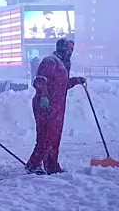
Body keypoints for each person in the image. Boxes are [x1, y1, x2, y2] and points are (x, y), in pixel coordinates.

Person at [26, 39, 86, 175]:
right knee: (45, 136)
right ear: (61, 48)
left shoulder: (63, 65)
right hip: (45, 105)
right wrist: (44, 96)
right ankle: (33, 164)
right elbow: (40, 80)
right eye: (68, 49)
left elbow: (61, 86)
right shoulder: (50, 61)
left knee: (54, 137)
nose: (70, 52)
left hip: (57, 107)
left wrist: (76, 81)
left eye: (72, 49)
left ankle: (51, 164)